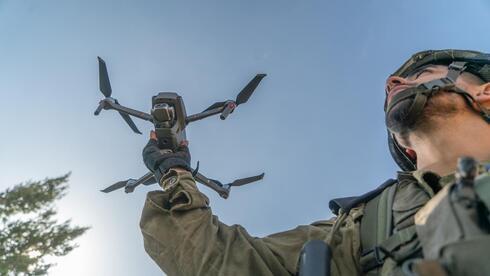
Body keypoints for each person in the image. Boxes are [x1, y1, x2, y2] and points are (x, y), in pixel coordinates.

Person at [139, 49, 490, 276]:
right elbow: (220, 263)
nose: (393, 83)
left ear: (485, 92)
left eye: (422, 73)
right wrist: (176, 173)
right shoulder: (365, 228)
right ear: (405, 147)